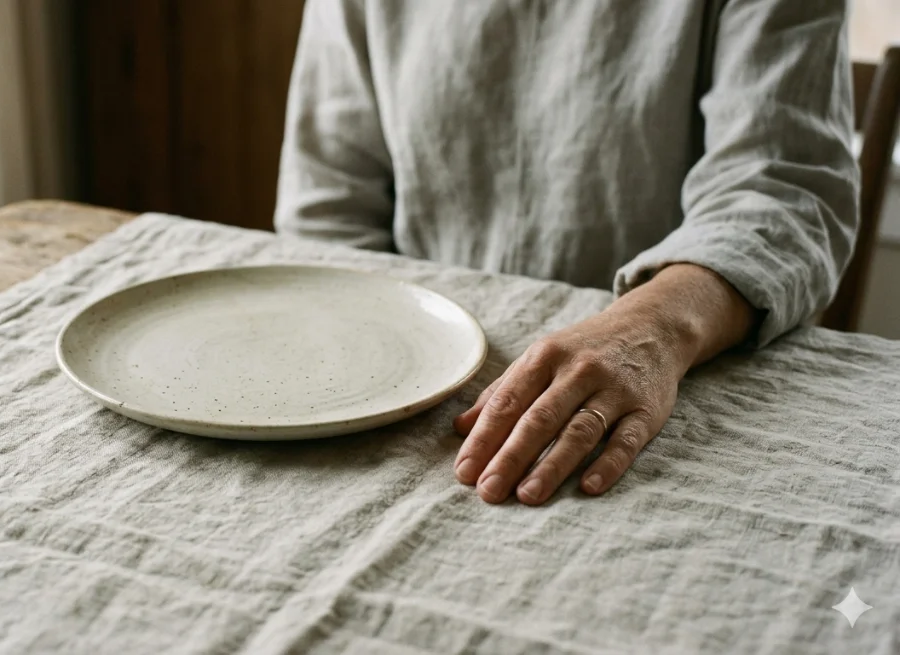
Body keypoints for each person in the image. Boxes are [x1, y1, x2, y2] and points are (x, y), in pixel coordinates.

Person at [273, 0, 858, 505]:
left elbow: (784, 191)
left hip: (673, 363)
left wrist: (651, 329)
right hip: (416, 392)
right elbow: (329, 204)